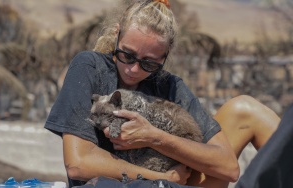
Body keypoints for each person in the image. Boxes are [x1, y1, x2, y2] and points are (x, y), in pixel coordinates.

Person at [44, 0, 280, 187]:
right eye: (126, 54)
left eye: (149, 63)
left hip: (176, 181)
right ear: (117, 36)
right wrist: (163, 180)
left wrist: (154, 137)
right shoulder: (90, 67)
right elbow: (78, 164)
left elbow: (228, 168)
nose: (134, 69)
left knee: (245, 110)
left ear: (165, 57)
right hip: (128, 184)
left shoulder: (169, 85)